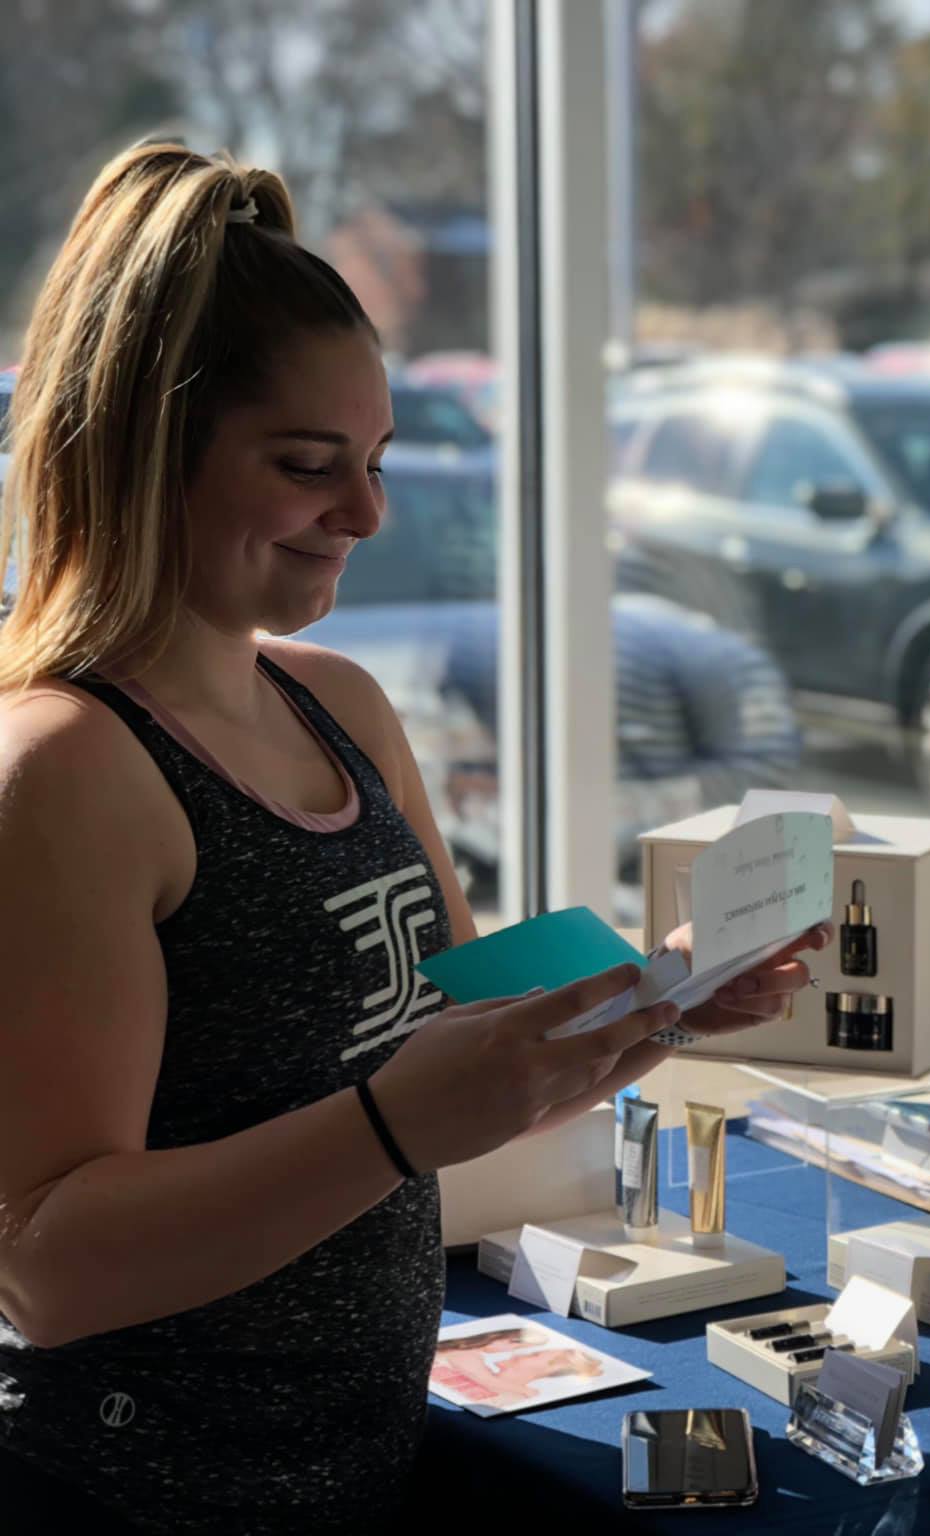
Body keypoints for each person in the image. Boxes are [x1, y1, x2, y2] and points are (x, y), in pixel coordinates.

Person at [0, 143, 824, 1532]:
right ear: (145, 453)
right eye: (308, 466)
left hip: (357, 1470)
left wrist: (670, 992)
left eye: (375, 463)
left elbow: (467, 1018)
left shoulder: (339, 707)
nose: (368, 514)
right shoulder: (64, 770)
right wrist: (390, 1128)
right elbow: (43, 1264)